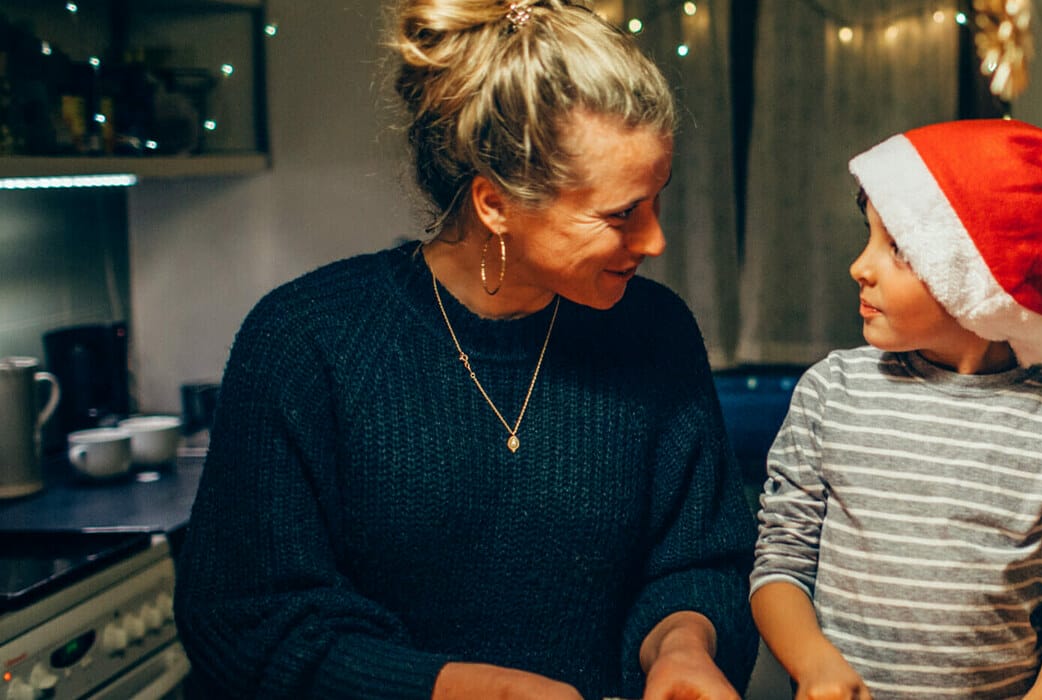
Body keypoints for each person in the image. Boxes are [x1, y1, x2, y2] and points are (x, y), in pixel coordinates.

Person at [172, 1, 756, 698]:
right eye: (621, 214)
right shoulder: (304, 341)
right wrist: (469, 688)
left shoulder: (655, 332)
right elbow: (245, 622)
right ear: (494, 204)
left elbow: (702, 561)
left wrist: (684, 645)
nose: (655, 241)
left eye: (657, 200)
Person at [749, 119, 1042, 699]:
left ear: (977, 281)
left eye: (896, 247)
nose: (860, 265)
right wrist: (815, 664)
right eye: (868, 236)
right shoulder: (832, 392)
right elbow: (780, 563)